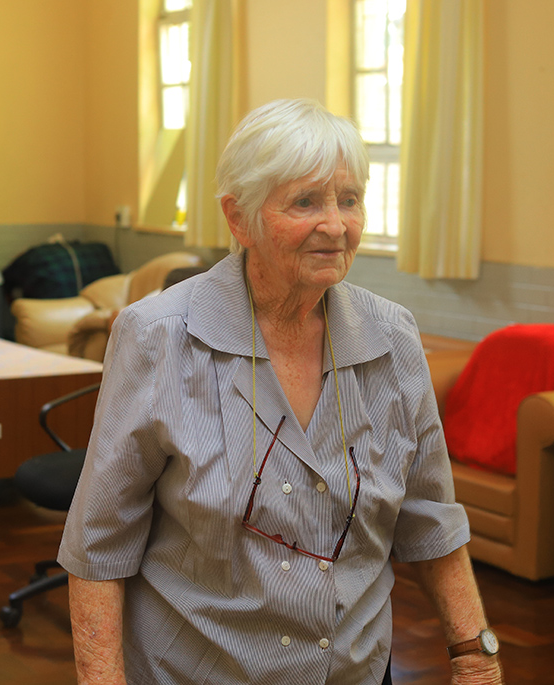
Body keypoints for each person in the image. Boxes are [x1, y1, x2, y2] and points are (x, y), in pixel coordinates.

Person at [57, 98, 504, 685]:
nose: (336, 225)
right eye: (305, 201)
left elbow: (429, 516)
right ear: (238, 218)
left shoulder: (392, 338)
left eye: (349, 200)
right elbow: (99, 544)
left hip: (355, 671)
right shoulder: (160, 336)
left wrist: (475, 658)